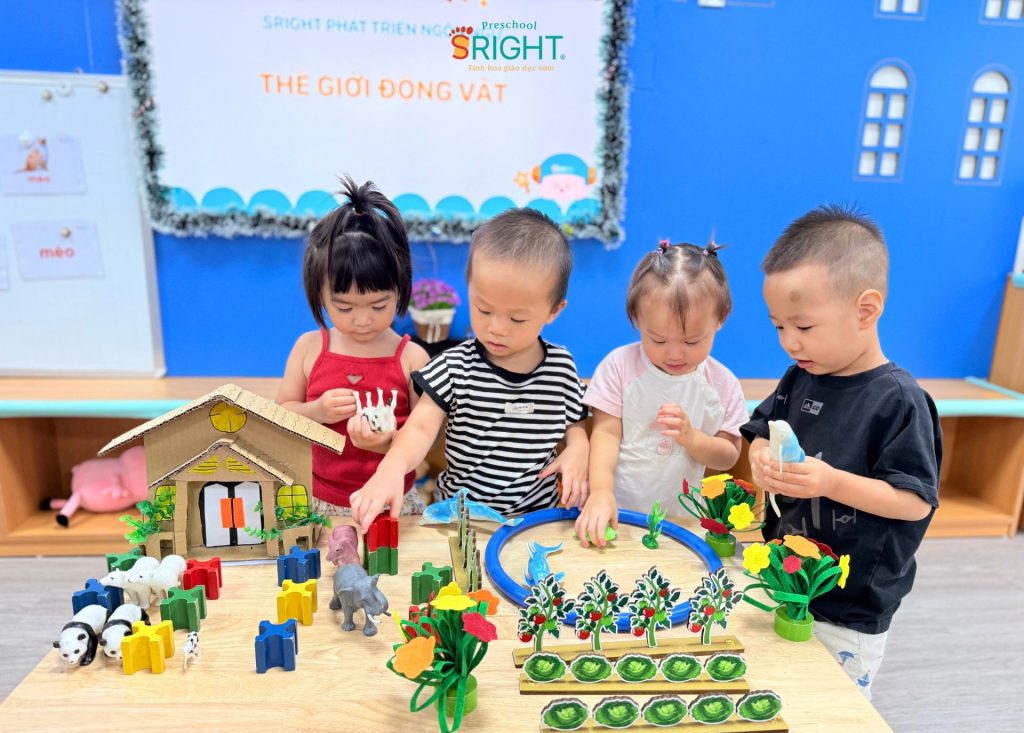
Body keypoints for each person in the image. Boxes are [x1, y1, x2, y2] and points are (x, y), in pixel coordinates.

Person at [742, 204, 942, 699]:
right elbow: (762, 430)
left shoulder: (899, 401)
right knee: (775, 694)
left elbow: (914, 502)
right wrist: (761, 457)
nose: (790, 343)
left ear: (866, 310)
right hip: (784, 576)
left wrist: (830, 482)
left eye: (804, 327)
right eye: (778, 327)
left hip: (849, 608)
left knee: (834, 708)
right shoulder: (801, 377)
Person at [350, 208, 589, 531]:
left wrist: (578, 449)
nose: (496, 328)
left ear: (554, 310)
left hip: (534, 522)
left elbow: (575, 423)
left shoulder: (561, 368)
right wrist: (390, 469)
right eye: (483, 309)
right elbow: (419, 429)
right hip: (460, 519)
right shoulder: (454, 366)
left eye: (517, 318)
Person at [576, 239, 747, 548]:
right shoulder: (619, 367)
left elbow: (728, 456)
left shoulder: (722, 384)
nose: (675, 354)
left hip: (682, 523)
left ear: (721, 318)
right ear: (637, 319)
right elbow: (605, 434)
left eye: (692, 341)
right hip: (616, 514)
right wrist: (600, 492)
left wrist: (692, 438)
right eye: (658, 339)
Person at [276, 177, 429, 520]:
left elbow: (423, 434)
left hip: (392, 501)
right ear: (319, 294)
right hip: (319, 498)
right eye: (344, 307)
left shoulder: (411, 358)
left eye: (378, 305)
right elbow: (281, 415)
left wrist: (385, 443)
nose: (362, 320)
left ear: (400, 289)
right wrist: (316, 411)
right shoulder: (309, 348)